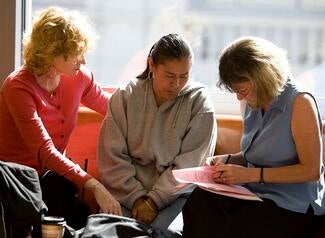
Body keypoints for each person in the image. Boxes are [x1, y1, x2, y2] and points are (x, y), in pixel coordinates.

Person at [182, 36, 325, 238]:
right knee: (199, 201)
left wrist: (249, 175)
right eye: (236, 91)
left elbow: (312, 171)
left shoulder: (300, 102)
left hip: (294, 205)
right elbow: (261, 151)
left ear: (262, 77)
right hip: (255, 193)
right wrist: (230, 160)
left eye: (242, 90)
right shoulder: (250, 99)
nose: (239, 97)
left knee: (236, 225)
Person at [0, 6, 122, 232]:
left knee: (83, 221)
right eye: (77, 53)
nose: (83, 60)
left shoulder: (77, 77)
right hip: (16, 183)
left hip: (52, 180)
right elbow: (44, 151)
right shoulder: (17, 87)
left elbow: (113, 108)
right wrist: (93, 184)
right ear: (53, 53)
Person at [97, 33, 217, 231]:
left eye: (184, 76)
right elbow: (112, 158)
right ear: (151, 65)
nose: (177, 84)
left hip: (177, 197)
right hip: (125, 194)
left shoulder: (200, 103)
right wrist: (136, 199)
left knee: (167, 233)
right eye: (169, 76)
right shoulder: (125, 96)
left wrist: (154, 201)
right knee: (106, 230)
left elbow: (190, 166)